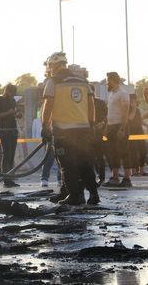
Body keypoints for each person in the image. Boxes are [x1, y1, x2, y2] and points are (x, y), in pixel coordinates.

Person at [41, 52, 99, 205]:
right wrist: (91, 124)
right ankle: (93, 194)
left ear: (54, 65)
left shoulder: (53, 81)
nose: (49, 69)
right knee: (84, 163)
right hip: (84, 129)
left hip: (64, 130)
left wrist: (44, 125)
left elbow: (48, 105)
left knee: (67, 165)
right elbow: (91, 104)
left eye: (50, 66)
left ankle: (75, 196)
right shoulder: (83, 81)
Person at [101, 72, 131, 187]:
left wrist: (122, 129)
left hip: (120, 126)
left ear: (113, 80)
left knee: (124, 152)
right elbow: (111, 113)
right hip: (112, 127)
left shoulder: (123, 93)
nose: (107, 83)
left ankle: (127, 179)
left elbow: (125, 112)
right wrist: (107, 127)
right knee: (112, 153)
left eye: (108, 80)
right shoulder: (112, 94)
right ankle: (115, 178)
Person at [0, 84, 22, 187]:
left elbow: (13, 113)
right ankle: (6, 180)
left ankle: (10, 179)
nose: (12, 96)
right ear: (7, 90)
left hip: (13, 129)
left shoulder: (12, 101)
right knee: (6, 154)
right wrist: (8, 113)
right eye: (11, 93)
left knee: (11, 155)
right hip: (4, 130)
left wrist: (17, 114)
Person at [128, 94, 148, 176]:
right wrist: (133, 108)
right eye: (132, 100)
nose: (134, 102)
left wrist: (146, 125)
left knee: (143, 151)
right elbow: (130, 118)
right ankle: (133, 171)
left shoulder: (138, 110)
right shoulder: (128, 109)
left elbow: (139, 120)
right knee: (132, 152)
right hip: (131, 133)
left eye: (135, 100)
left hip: (140, 132)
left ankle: (142, 170)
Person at [92, 95, 108, 185]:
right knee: (98, 157)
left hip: (95, 133)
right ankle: (100, 177)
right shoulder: (101, 102)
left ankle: (99, 177)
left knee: (97, 157)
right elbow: (107, 115)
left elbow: (106, 115)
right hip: (95, 132)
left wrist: (102, 123)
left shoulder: (99, 103)